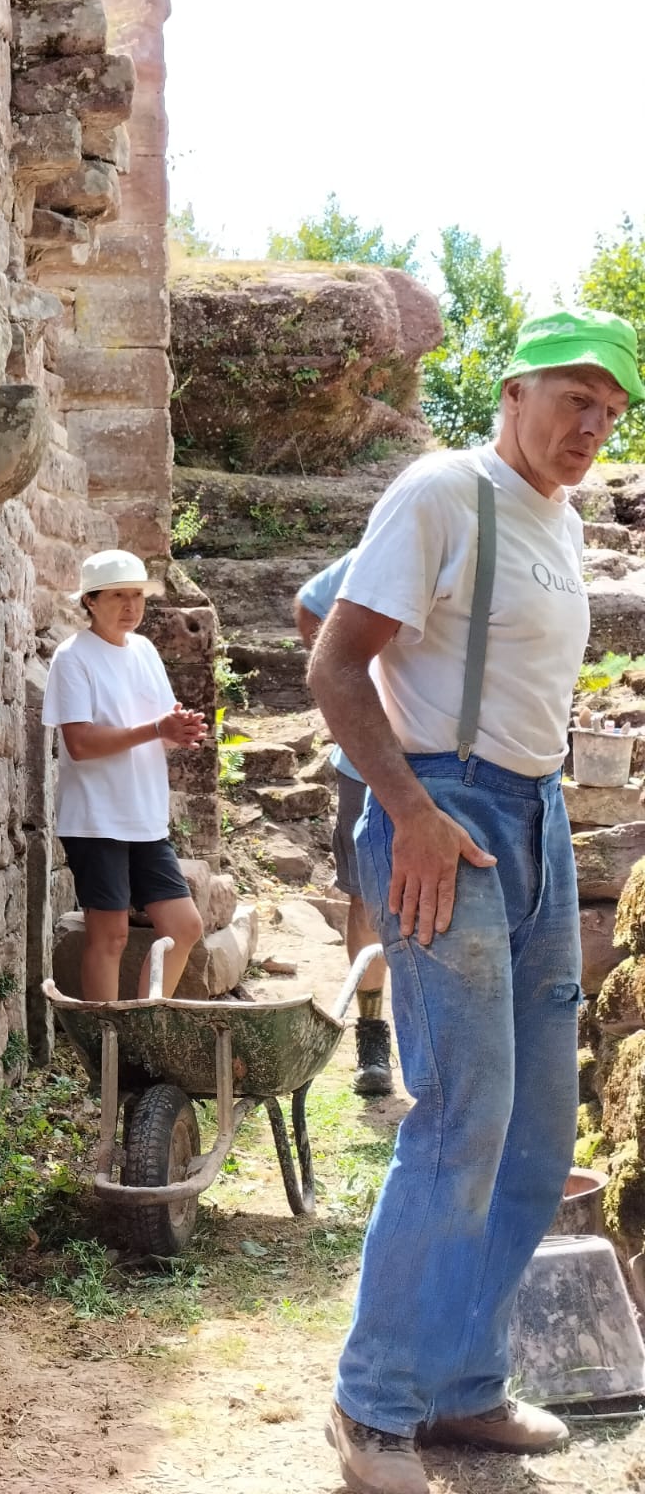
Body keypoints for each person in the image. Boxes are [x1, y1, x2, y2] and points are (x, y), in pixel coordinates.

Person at [307, 309, 644, 1494]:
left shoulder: (559, 517)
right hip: (446, 808)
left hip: (536, 815)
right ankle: (372, 1404)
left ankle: (462, 1381)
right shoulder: (445, 490)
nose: (593, 425)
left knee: (539, 1132)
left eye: (612, 410)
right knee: (462, 1116)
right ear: (513, 391)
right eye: (574, 398)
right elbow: (331, 653)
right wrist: (406, 805)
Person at [42, 549, 209, 1001]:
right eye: (118, 596)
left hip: (145, 817)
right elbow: (80, 743)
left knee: (184, 927)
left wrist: (178, 731)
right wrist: (156, 729)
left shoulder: (145, 651)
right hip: (96, 819)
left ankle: (141, 1027)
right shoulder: (73, 657)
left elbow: (160, 726)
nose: (131, 606)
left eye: (137, 595)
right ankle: (105, 1040)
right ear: (91, 601)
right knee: (109, 936)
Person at [294, 553, 392, 1097]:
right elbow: (310, 604)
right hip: (365, 762)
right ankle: (372, 1036)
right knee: (367, 898)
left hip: (455, 764)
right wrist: (342, 689)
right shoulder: (382, 547)